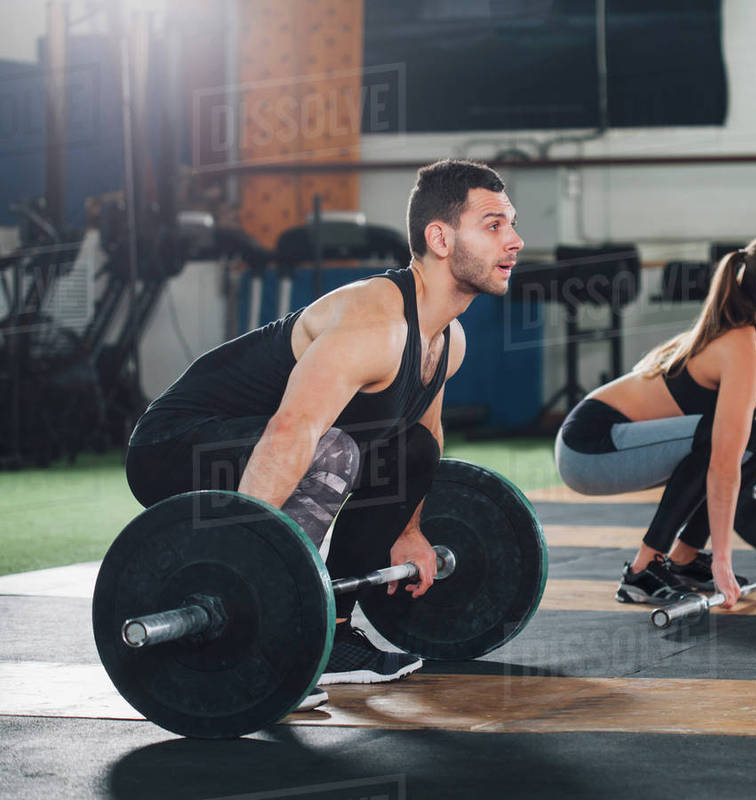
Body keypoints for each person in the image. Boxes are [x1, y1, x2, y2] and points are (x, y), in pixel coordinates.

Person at [124, 160, 523, 707]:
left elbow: (422, 440)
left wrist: (408, 531)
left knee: (413, 449)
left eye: (512, 224)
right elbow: (291, 433)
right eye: (494, 225)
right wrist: (241, 574)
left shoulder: (447, 340)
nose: (515, 241)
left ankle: (331, 634)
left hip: (266, 450)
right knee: (331, 451)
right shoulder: (373, 320)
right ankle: (275, 634)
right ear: (440, 238)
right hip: (173, 447)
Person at [555, 232, 756, 608]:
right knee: (725, 444)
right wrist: (723, 560)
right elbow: (724, 464)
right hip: (589, 445)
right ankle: (642, 571)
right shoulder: (741, 347)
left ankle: (682, 558)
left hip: (625, 444)